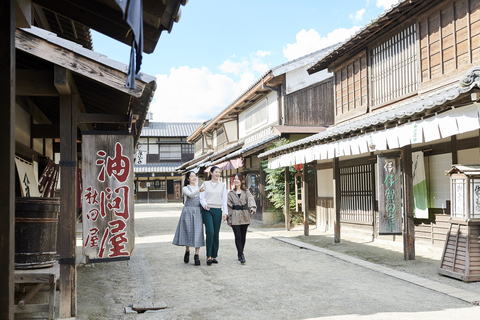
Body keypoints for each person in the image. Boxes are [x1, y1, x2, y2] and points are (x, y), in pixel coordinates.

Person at [173, 171, 205, 266]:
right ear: (188, 179)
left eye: (195, 176)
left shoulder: (200, 189)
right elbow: (191, 195)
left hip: (198, 211)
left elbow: (203, 200)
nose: (194, 178)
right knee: (188, 231)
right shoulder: (185, 188)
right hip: (187, 212)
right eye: (192, 176)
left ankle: (196, 255)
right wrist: (199, 191)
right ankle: (187, 250)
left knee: (198, 232)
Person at [199, 166, 228, 266]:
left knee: (216, 233)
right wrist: (205, 204)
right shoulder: (205, 184)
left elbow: (224, 200)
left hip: (218, 211)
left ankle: (214, 256)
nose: (217, 174)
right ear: (211, 173)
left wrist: (225, 212)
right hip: (207, 210)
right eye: (216, 172)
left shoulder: (222, 186)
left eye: (219, 172)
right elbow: (201, 197)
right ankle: (208, 256)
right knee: (210, 231)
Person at [227, 173, 256, 264]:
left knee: (243, 237)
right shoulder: (230, 193)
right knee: (238, 236)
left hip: (244, 215)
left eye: (238, 179)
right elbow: (228, 207)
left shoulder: (246, 191)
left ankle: (240, 253)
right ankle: (241, 254)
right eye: (234, 179)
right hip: (235, 216)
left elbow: (251, 199)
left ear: (242, 181)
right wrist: (229, 219)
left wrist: (252, 208)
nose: (236, 180)